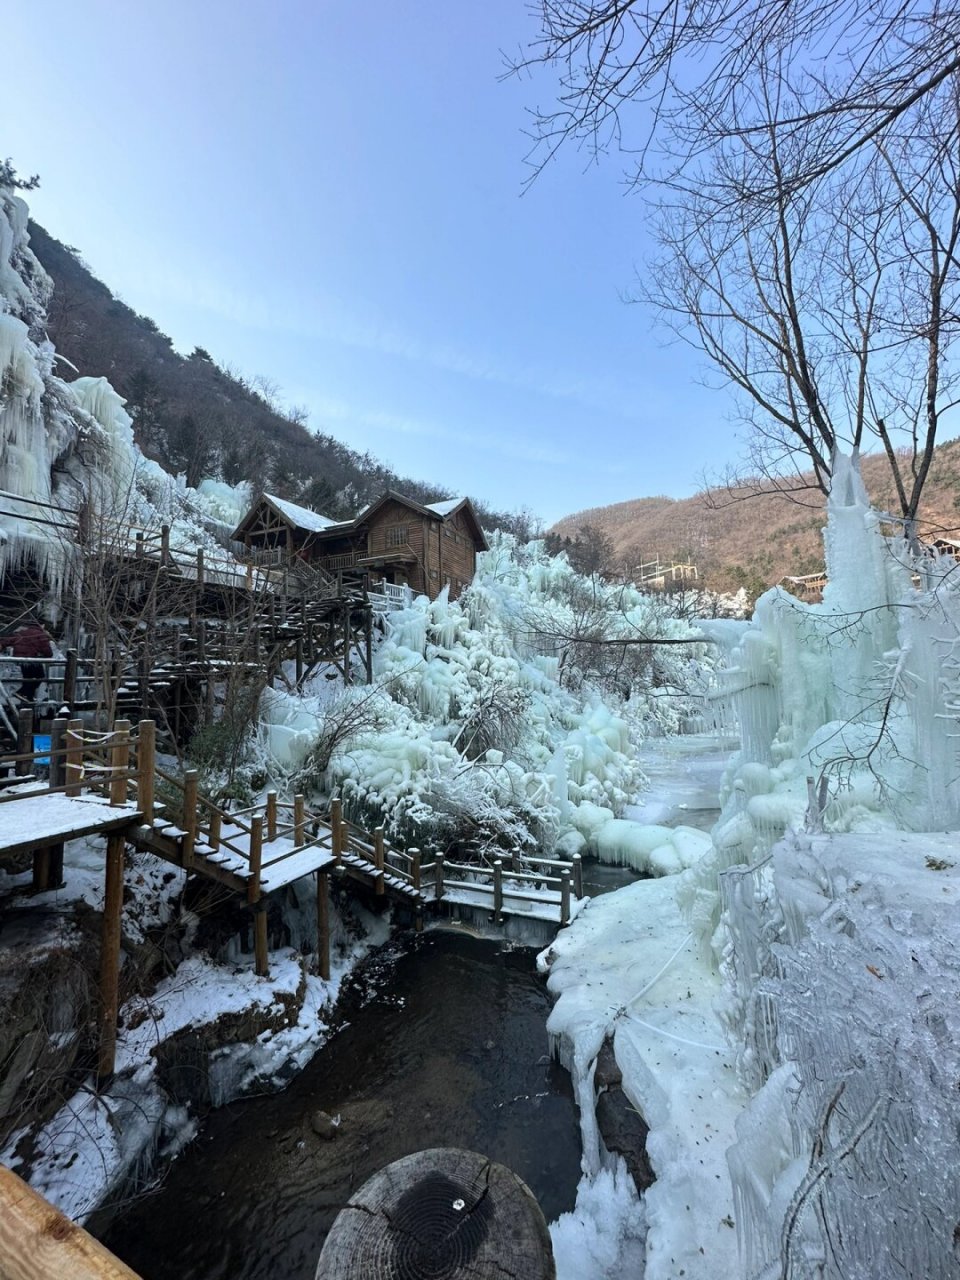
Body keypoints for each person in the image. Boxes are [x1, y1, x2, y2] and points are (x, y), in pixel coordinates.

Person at [0, 615, 53, 707]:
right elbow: (48, 652)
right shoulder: (40, 634)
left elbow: (6, 641)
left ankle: (27, 697)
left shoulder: (21, 633)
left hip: (19, 661)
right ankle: (23, 694)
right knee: (40, 677)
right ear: (42, 625)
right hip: (31, 661)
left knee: (27, 680)